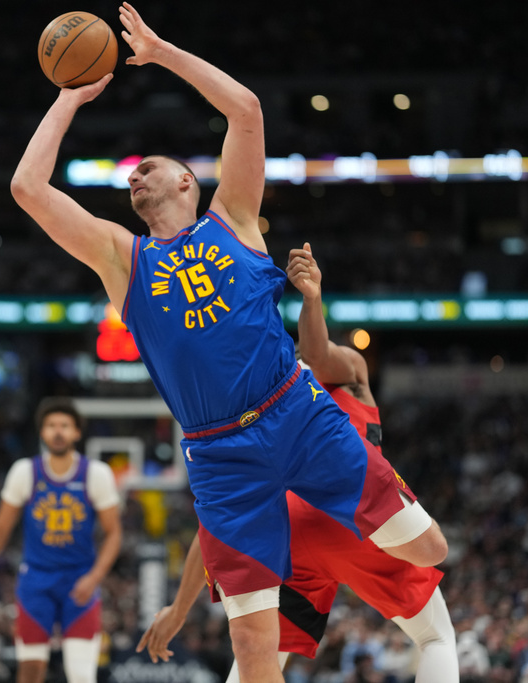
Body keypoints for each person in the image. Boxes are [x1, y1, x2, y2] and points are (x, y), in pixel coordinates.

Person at [10, 4, 446, 680]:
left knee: (428, 549)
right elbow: (27, 188)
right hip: (220, 456)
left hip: (298, 414)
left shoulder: (235, 218)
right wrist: (69, 98)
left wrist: (160, 52)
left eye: (147, 166)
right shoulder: (123, 259)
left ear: (189, 178)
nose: (134, 175)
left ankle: (344, 521)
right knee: (252, 651)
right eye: (131, 175)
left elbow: (245, 109)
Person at [135, 244, 458, 682]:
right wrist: (311, 296)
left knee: (261, 658)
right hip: (347, 515)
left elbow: (213, 530)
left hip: (284, 537)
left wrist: (179, 608)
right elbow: (320, 354)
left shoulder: (247, 402)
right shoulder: (342, 373)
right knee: (436, 636)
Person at [0, 397, 122, 683]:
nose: (58, 431)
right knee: (30, 672)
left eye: (64, 425)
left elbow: (114, 533)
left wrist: (95, 577)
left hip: (80, 581)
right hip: (36, 581)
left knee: (82, 676)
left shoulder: (96, 474)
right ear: (42, 432)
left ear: (76, 432)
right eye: (51, 426)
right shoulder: (25, 472)